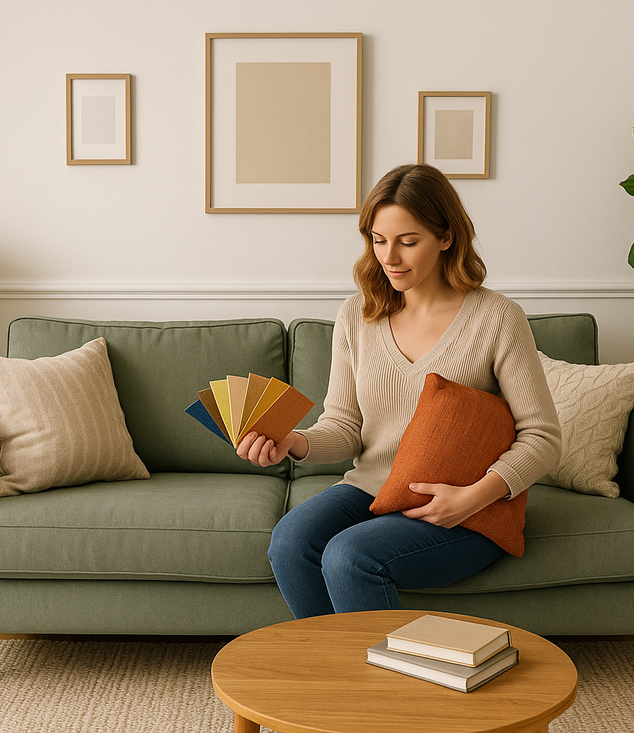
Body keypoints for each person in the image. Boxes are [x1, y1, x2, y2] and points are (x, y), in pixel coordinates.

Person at [236, 163, 562, 619]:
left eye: (409, 242)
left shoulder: (498, 318)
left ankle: (381, 688)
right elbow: (345, 425)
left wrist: (472, 497)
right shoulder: (358, 315)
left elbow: (543, 438)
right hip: (372, 489)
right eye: (378, 239)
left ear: (446, 237)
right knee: (290, 541)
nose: (390, 257)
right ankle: (337, 674)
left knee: (350, 557)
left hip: (466, 508)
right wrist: (296, 442)